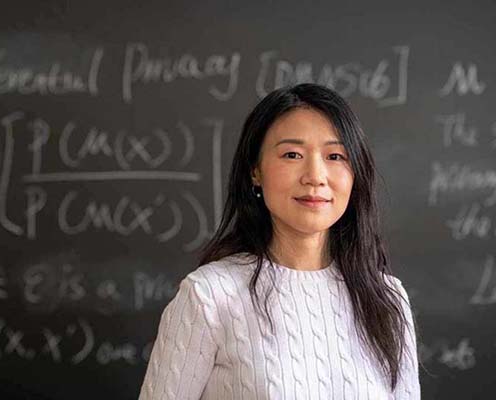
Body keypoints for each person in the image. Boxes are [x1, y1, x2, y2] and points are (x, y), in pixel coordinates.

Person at [138, 83, 421, 399]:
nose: (315, 175)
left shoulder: (387, 298)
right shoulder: (208, 296)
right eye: (292, 154)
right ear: (255, 171)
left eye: (335, 155)